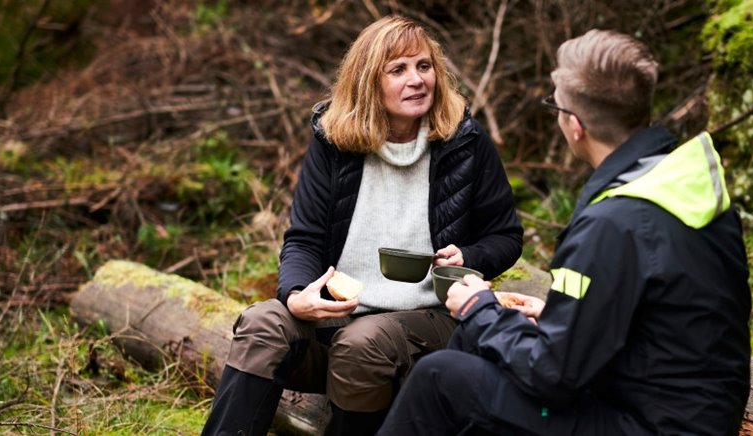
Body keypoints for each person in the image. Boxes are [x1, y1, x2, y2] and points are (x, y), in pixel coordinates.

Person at [377, 29, 752, 435]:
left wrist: (479, 307)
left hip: (648, 424)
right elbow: (662, 314)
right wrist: (560, 316)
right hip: (686, 409)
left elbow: (552, 376)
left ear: (575, 126)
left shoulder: (613, 222)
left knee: (440, 375)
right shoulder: (682, 184)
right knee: (474, 344)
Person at [201, 16, 523, 436]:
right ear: (369, 82)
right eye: (398, 70)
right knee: (264, 323)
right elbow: (304, 239)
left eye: (424, 66)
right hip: (337, 315)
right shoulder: (334, 141)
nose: (416, 80)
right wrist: (297, 294)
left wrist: (470, 256)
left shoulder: (464, 140)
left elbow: (507, 236)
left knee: (362, 343)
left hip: (429, 320)